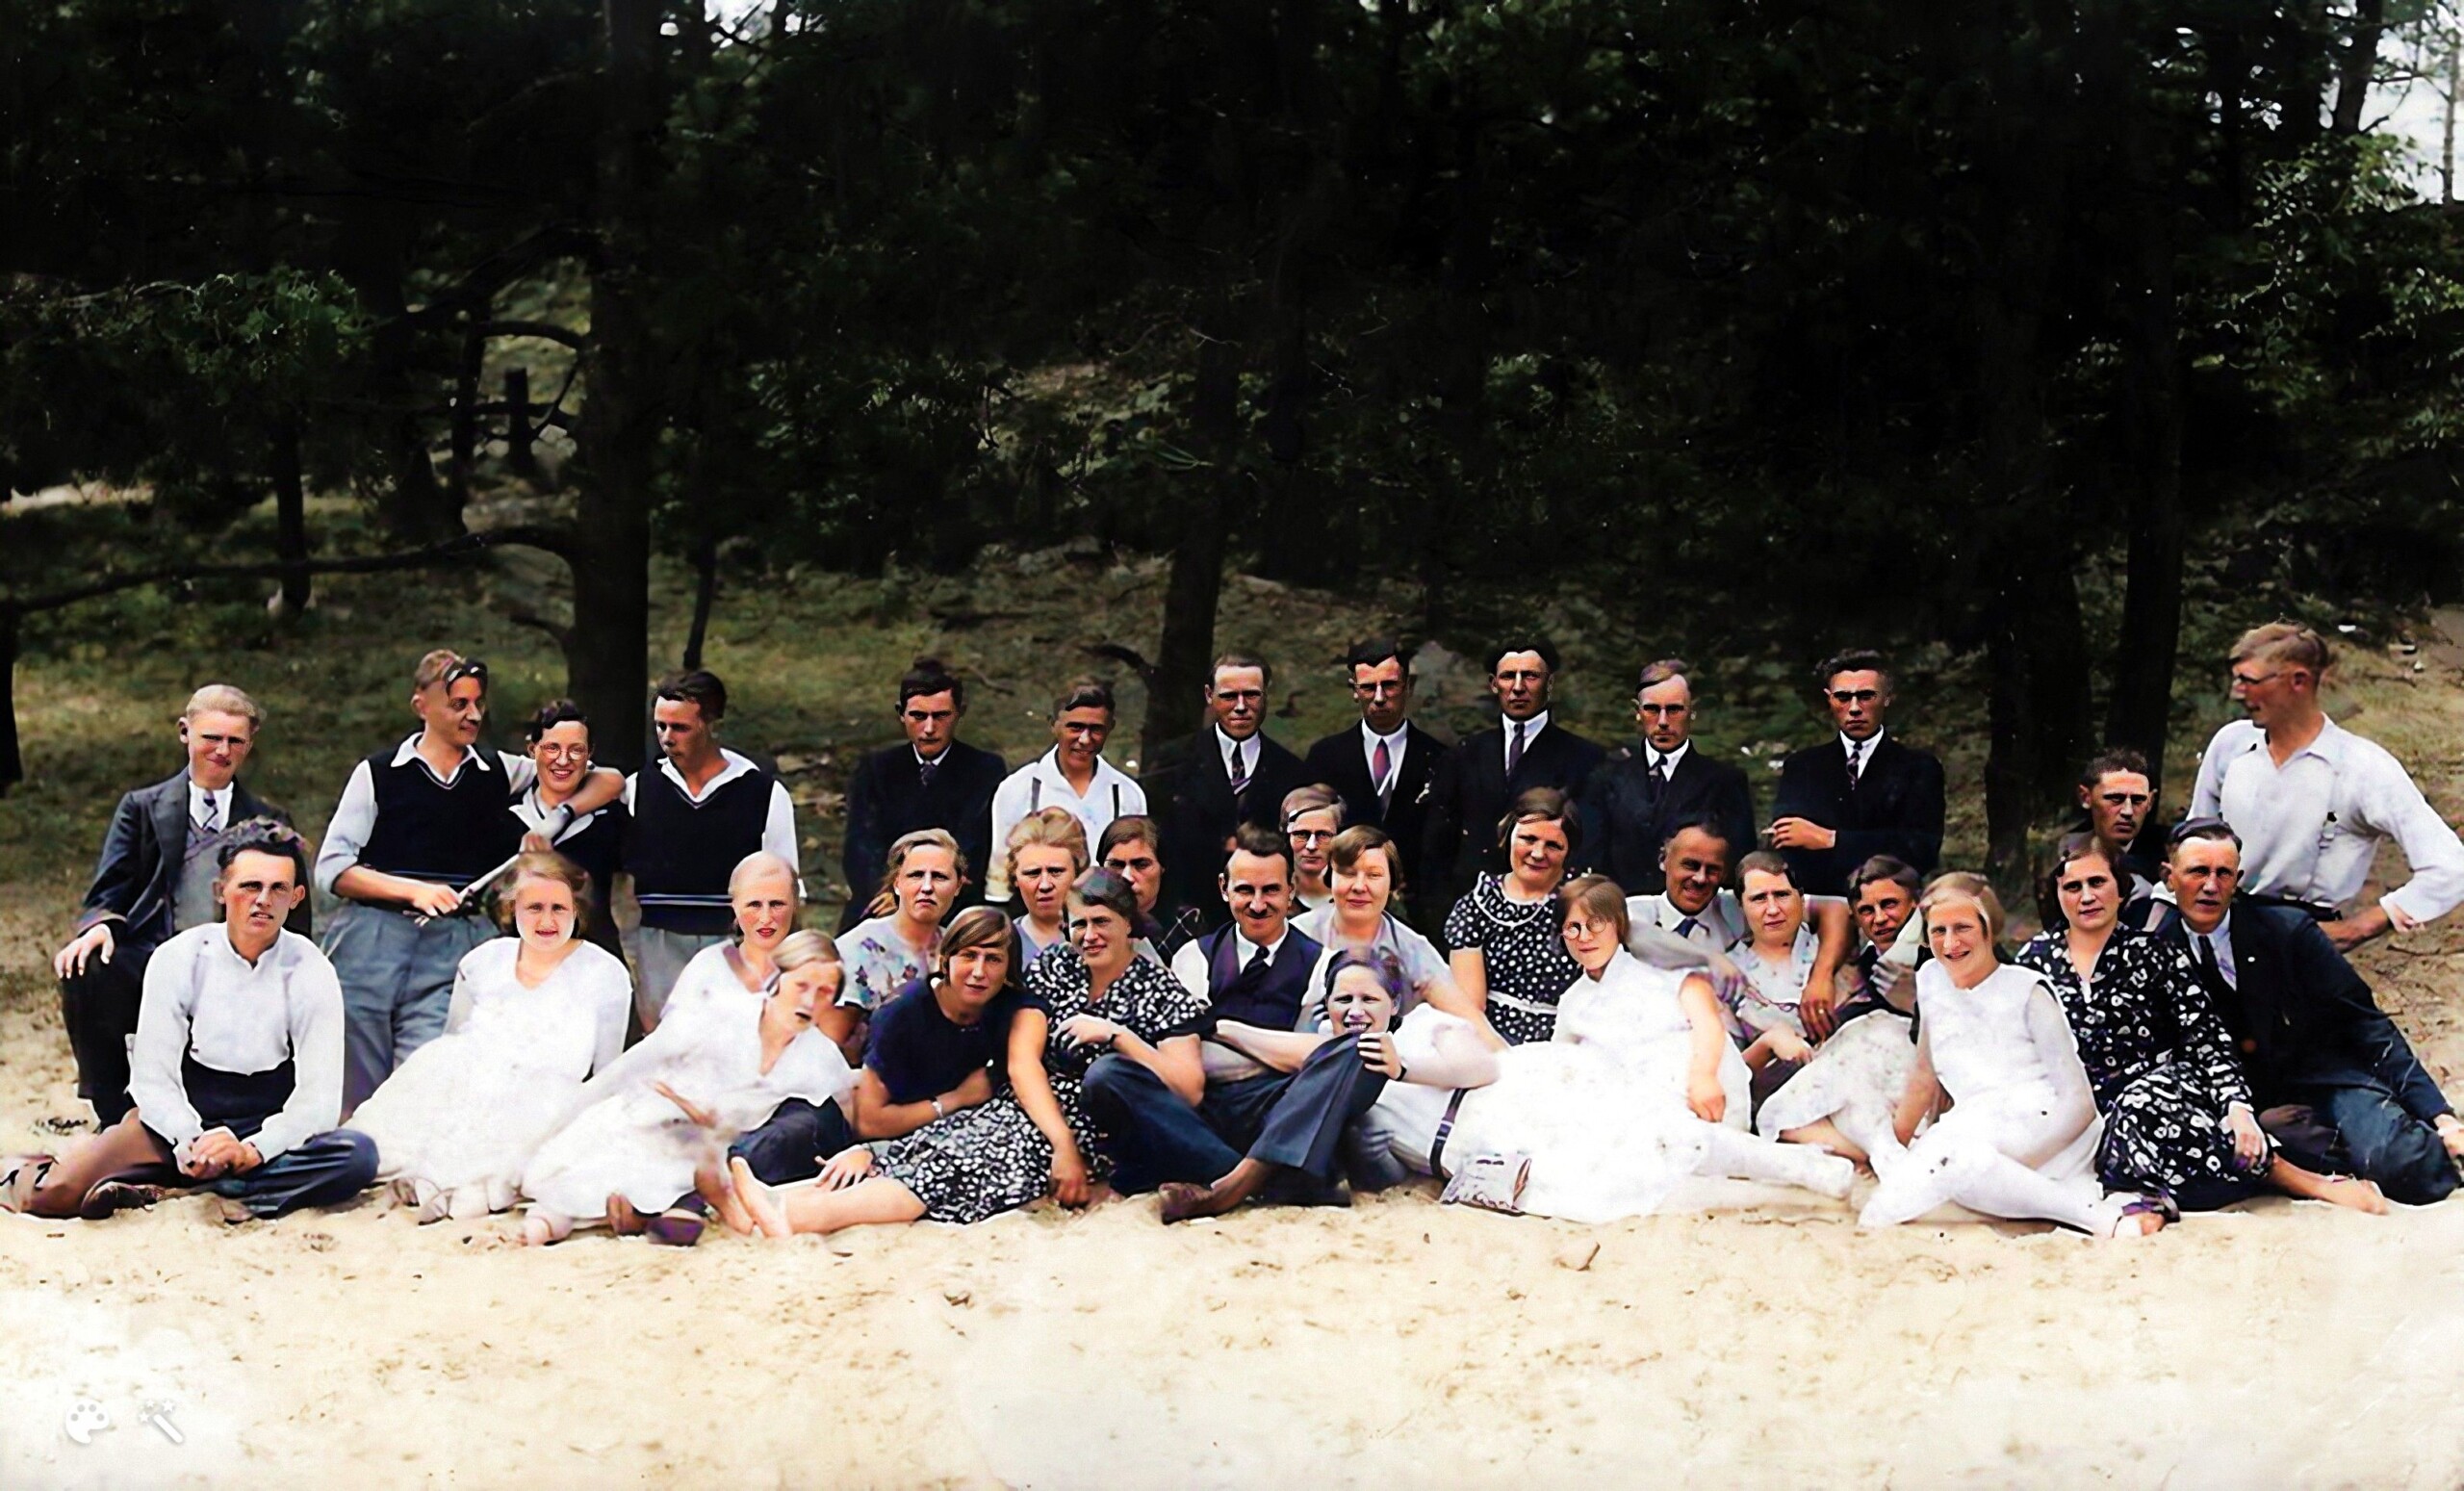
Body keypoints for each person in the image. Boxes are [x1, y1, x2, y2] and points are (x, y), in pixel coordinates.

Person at [711, 869, 1206, 1240]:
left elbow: (1188, 1088)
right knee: (926, 1148)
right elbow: (1023, 1063)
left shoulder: (1158, 987)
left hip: (1096, 1126)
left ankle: (796, 1215)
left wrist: (1119, 1037)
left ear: (1129, 925)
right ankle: (772, 1198)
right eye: (1079, 924)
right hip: (1026, 1108)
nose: (1089, 935)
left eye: (1102, 922)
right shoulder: (1056, 967)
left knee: (951, 1170)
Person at [1365, 876, 1854, 1221]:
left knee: (1666, 1135)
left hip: (1701, 1083)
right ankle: (1792, 1182)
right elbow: (1563, 1068)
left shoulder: (1665, 973)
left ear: (1618, 925)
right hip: (1630, 1102)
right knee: (1616, 1153)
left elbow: (1709, 1027)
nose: (1584, 938)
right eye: (1573, 928)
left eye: (1595, 925)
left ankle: (1805, 1169)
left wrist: (1704, 1077)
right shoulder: (1575, 1000)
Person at [6, 823, 378, 1222]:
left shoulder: (311, 969)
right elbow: (153, 1079)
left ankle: (193, 1188)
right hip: (180, 1116)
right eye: (250, 886)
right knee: (56, 1194)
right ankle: (198, 1181)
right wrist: (191, 1141)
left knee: (356, 1158)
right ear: (221, 890)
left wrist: (252, 1150)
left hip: (267, 1118)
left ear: (296, 898)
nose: (263, 901)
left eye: (278, 889)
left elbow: (318, 1101)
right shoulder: (180, 957)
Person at [2015, 834, 2383, 1213]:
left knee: (2145, 1110)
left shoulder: (2156, 953)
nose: (2087, 897)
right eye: (2073, 887)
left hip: (2156, 1097)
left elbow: (2207, 1040)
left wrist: (2237, 1107)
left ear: (2120, 889)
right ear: (2056, 893)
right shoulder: (2033, 962)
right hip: (2072, 1103)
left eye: (2097, 882)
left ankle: (2297, 1179)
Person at [319, 650, 620, 1112]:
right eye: (459, 704)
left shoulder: (498, 770)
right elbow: (332, 868)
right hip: (372, 939)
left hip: (454, 944)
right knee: (353, 1086)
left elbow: (608, 779)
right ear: (421, 706)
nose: (473, 715)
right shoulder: (378, 773)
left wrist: (560, 816)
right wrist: (413, 891)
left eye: (478, 703)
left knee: (427, 1081)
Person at [2136, 820, 2463, 1204]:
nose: (2210, 886)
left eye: (2223, 873)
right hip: (2239, 1103)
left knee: (2404, 1164)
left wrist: (2440, 1115)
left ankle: (2377, 1138)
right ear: (2169, 878)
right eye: (2197, 872)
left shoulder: (2287, 931)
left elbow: (2364, 1022)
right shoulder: (2153, 951)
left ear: (2238, 880)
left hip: (2322, 1080)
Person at [1857, 874, 2169, 1238]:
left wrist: (2019, 1163)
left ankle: (2101, 1219)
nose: (1951, 944)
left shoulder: (2027, 990)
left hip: (2047, 1128)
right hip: (1974, 1125)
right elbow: (1925, 1074)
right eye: (1939, 931)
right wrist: (1897, 1143)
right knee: (1881, 1211)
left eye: (1963, 928)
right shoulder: (1930, 979)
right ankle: (2007, 1192)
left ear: (1989, 930)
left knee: (1962, 1167)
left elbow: (2080, 1105)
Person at [54, 683, 305, 1128]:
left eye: (235, 741)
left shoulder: (268, 819)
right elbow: (110, 887)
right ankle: (112, 1109)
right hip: (155, 951)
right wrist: (101, 925)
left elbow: (292, 908)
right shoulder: (143, 807)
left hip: (232, 956)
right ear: (185, 732)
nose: (222, 751)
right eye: (211, 737)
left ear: (249, 744)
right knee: (87, 967)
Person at [520, 929, 855, 1245]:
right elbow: (633, 1066)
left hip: (712, 1154)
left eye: (824, 992)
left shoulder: (820, 1057)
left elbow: (852, 1108)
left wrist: (858, 1152)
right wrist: (561, 1119)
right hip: (650, 1120)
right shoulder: (721, 1015)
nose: (809, 1001)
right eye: (801, 985)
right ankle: (550, 1226)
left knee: (685, 1177)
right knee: (575, 1185)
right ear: (777, 978)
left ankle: (645, 1215)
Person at [347, 852, 632, 1222]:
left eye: (559, 909)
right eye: (534, 908)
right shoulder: (483, 961)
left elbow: (607, 1075)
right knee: (377, 1147)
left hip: (545, 1103)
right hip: (469, 1088)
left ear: (576, 910)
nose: (547, 921)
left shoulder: (604, 973)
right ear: (512, 909)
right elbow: (453, 1042)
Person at [1089, 826, 1344, 1201]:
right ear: (1224, 888)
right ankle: (1251, 1178)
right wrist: (1280, 1052)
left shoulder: (1323, 964)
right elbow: (1191, 1065)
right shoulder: (1194, 957)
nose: (1258, 905)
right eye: (1245, 890)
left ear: (1291, 890)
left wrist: (1222, 1029)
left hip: (1274, 1108)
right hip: (1196, 1112)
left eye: (1271, 890)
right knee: (1108, 1074)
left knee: (1353, 1056)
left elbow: (1323, 1057)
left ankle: (1226, 1178)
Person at [2188, 622, 2464, 950]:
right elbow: (2194, 842)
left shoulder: (2361, 767)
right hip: (2217, 931)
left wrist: (2360, 927)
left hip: (2300, 945)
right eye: (2237, 680)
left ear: (2299, 681)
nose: (2238, 692)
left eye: (2250, 680)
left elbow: (2450, 867)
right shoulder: (2231, 745)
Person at [1147, 949, 1410, 1221]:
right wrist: (1226, 1029)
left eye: (1369, 999)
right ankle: (1267, 1176)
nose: (1355, 1011)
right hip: (1278, 1132)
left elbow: (1310, 1054)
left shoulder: (1409, 1040)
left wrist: (1228, 1030)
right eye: (1343, 999)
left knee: (1362, 1049)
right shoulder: (1322, 1034)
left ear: (1394, 1004)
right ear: (1328, 1003)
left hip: (1359, 1159)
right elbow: (1216, 1060)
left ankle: (1233, 1187)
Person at [622, 668, 801, 1031]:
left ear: (710, 723)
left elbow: (788, 888)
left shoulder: (763, 793)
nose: (667, 738)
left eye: (680, 728)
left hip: (738, 941)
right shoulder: (638, 788)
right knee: (670, 1045)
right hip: (659, 943)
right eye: (660, 726)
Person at [1756, 858, 1927, 1166]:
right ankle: (1874, 1153)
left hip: (1921, 1067)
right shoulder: (1869, 961)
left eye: (1890, 905)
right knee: (1781, 1116)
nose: (1880, 919)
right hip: (1875, 1061)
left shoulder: (1940, 950)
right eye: (1867, 911)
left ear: (1915, 904)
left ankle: (1888, 1151)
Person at [1419, 638, 1606, 912]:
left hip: (1546, 907)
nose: (1518, 687)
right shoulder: (1464, 754)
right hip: (1469, 905)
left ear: (1549, 683)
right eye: (1508, 676)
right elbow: (1438, 844)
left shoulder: (1584, 758)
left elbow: (1586, 847)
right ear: (1494, 684)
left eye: (1530, 676)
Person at [1627, 818, 1854, 1025]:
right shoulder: (1638, 909)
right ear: (1663, 860)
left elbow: (1836, 908)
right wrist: (1710, 958)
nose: (1700, 878)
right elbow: (1637, 935)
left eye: (1712, 870)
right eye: (1690, 865)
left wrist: (1821, 977)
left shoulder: (1736, 908)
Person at [838, 658, 1007, 933]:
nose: (929, 728)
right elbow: (861, 845)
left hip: (952, 902)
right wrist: (892, 893)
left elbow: (973, 845)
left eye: (940, 716)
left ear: (959, 713)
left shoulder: (984, 769)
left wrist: (918, 895)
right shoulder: (877, 768)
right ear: (901, 714)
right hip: (882, 900)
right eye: (918, 716)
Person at [1148, 653, 1308, 930]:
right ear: (1209, 695)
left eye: (1252, 695)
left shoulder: (1291, 770)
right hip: (1188, 917)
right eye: (1229, 696)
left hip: (1265, 917)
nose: (1241, 707)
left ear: (1266, 695)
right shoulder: (1173, 761)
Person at [1769, 649, 1945, 897]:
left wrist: (1831, 839)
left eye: (1866, 696)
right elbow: (1789, 844)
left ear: (1887, 698)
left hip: (1889, 903)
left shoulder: (1918, 767)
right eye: (1843, 697)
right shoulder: (1802, 767)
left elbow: (1920, 850)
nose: (1854, 708)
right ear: (1829, 699)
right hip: (1819, 903)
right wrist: (1875, 842)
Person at [844, 907, 1023, 1144]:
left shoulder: (1011, 1008)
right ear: (945, 960)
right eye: (969, 956)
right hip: (899, 1142)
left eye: (993, 959)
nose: (979, 972)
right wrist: (957, 1099)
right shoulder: (902, 1015)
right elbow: (869, 1122)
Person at [1293, 825, 1487, 1041]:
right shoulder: (1297, 934)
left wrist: (1505, 1057)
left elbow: (1469, 1020)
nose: (1359, 886)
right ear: (1330, 877)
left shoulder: (1412, 950)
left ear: (1391, 884)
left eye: (1373, 875)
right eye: (1348, 874)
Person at [1301, 639, 1449, 919]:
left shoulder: (1440, 758)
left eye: (1389, 685)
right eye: (1368, 687)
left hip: (1418, 909)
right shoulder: (1326, 757)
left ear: (1408, 686)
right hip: (1342, 902)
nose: (1379, 698)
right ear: (1354, 690)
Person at [1581, 659, 1757, 892]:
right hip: (1621, 907)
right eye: (1652, 709)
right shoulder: (1607, 778)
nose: (1663, 722)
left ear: (1692, 711)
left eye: (1674, 709)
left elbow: (1738, 865)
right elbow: (1590, 858)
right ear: (1637, 712)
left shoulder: (1724, 781)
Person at [984, 677, 1146, 904]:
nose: (1085, 739)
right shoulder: (1018, 789)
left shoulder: (1128, 794)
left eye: (1096, 729)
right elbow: (999, 878)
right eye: (1075, 727)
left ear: (1110, 728)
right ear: (1054, 725)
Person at [1442, 787, 1584, 1045]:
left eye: (1553, 845)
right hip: (1487, 1040)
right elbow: (1472, 1007)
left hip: (1564, 1042)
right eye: (1528, 839)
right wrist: (1505, 1059)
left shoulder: (1583, 905)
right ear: (1508, 837)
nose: (1538, 853)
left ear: (1569, 851)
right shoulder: (1476, 907)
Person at [830, 829, 964, 1060]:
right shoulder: (858, 946)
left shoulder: (961, 949)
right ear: (897, 883)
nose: (927, 887)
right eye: (916, 875)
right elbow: (833, 1041)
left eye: (939, 877)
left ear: (958, 886)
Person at [513, 700, 628, 958]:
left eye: (576, 750)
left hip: (596, 958)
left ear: (590, 753)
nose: (563, 760)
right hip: (522, 962)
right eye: (552, 748)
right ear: (532, 749)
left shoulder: (611, 815)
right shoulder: (508, 815)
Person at [1098, 815, 1202, 961]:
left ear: (1162, 867)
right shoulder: (1087, 921)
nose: (1127, 877)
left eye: (1141, 864)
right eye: (1116, 865)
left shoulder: (1183, 923)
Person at [2068, 748, 2163, 904]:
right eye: (2115, 799)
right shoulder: (2064, 856)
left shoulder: (2168, 861)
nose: (2127, 811)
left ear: (2150, 801)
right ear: (2086, 797)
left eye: (2138, 800)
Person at [1003, 808, 1090, 967]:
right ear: (1015, 878)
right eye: (1033, 873)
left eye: (1056, 871)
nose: (1044, 885)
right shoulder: (1000, 945)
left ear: (1078, 873)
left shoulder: (1101, 939)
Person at [1280, 784, 1345, 913]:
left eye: (1323, 835)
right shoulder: (1271, 895)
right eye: (1301, 834)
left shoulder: (1350, 896)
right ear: (1288, 837)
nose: (1311, 846)